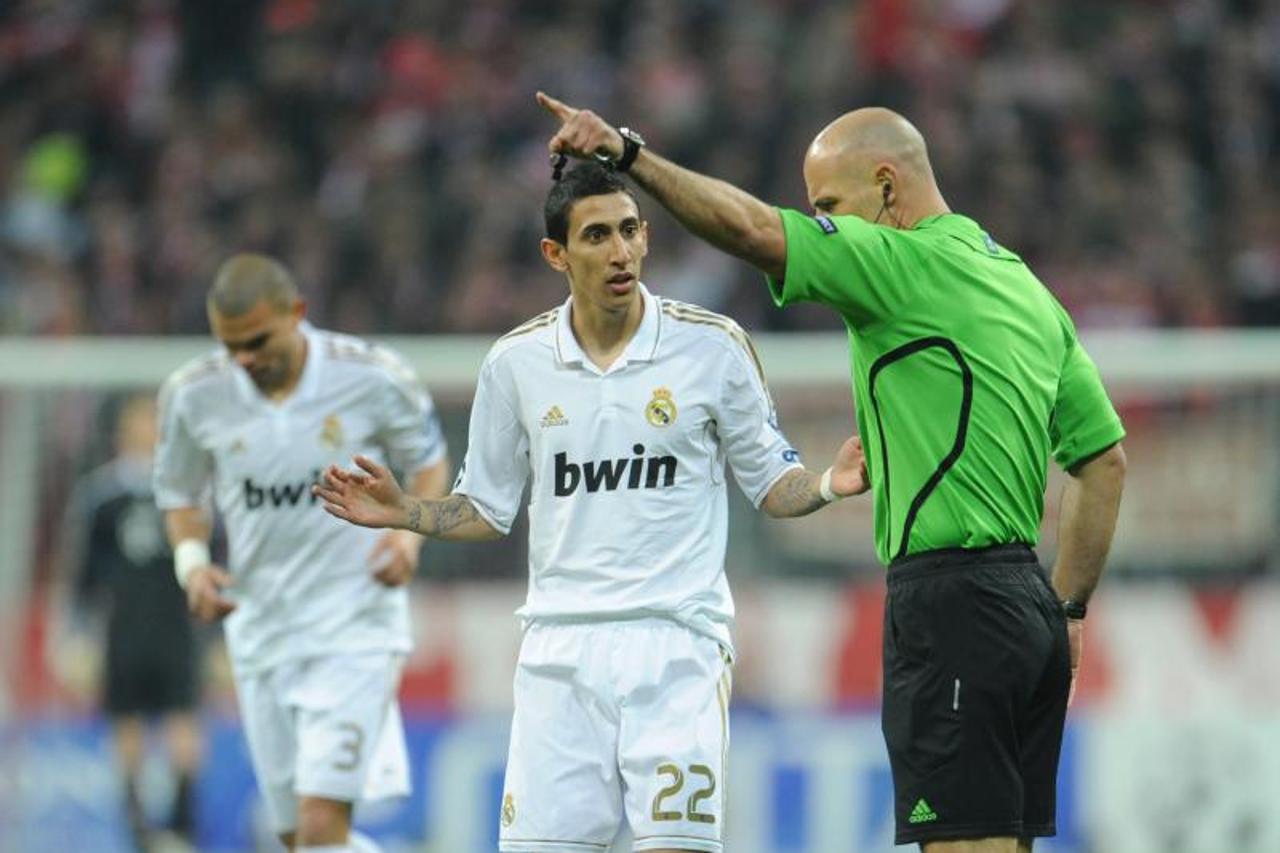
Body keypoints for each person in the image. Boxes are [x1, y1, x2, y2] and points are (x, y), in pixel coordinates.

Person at [536, 95, 1127, 853]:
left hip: (953, 602)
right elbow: (1103, 461)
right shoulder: (1027, 290)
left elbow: (751, 229)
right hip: (1025, 609)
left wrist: (629, 153)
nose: (824, 221)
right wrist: (1068, 609)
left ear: (887, 187)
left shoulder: (901, 262)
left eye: (829, 205)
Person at [314, 161, 869, 853]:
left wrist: (823, 485)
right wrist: (408, 512)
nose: (621, 251)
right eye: (599, 235)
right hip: (559, 651)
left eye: (631, 231)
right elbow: (485, 507)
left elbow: (769, 483)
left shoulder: (711, 347)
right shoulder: (515, 364)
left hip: (677, 646)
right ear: (557, 253)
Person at [153, 253, 451, 853]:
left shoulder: (369, 375)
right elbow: (180, 493)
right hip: (261, 632)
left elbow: (428, 464)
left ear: (298, 313)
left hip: (354, 626)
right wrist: (192, 566)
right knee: (299, 841)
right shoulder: (195, 394)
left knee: (319, 826)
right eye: (230, 345)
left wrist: (407, 537)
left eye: (258, 340)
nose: (245, 359)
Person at [56, 393, 203, 853]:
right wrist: (74, 638)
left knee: (184, 727)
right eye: (143, 421)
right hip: (123, 631)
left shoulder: (188, 495)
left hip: (177, 629)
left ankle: (181, 825)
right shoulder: (101, 497)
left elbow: (212, 565)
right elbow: (82, 578)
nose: (150, 430)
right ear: (123, 430)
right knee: (128, 729)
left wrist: (219, 633)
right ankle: (138, 830)